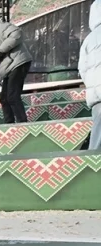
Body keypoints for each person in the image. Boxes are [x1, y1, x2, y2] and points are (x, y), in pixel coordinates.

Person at [80, 0, 101, 150]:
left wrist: (94, 85)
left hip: (97, 96)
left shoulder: (88, 40)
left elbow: (83, 68)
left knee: (97, 142)